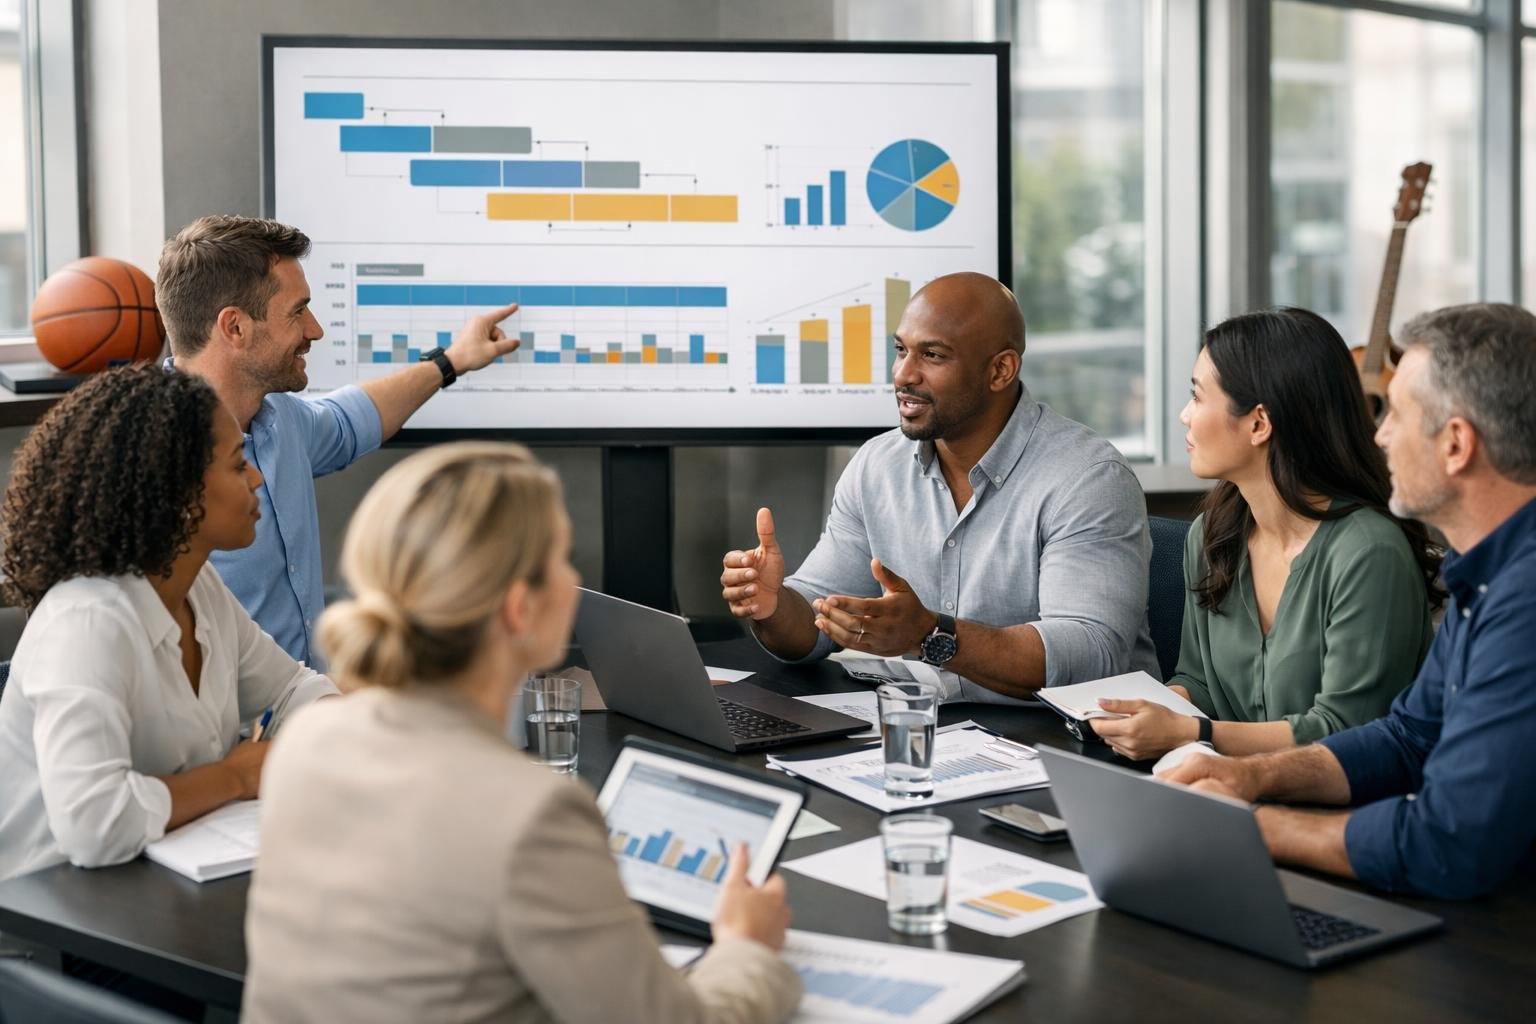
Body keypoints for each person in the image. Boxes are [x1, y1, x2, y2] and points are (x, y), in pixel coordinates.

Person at [244, 443, 801, 1024]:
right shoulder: (533, 816)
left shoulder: (306, 743)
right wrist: (747, 948)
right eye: (563, 559)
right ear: (518, 608)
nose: (574, 579)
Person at [1166, 303, 1536, 900]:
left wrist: (1248, 823)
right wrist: (1243, 776)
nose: (1379, 433)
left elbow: (1447, 843)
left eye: (1396, 413)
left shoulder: (1524, 602)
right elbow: (1405, 738)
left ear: (1457, 443)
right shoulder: (1486, 577)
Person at [720, 271, 1157, 702]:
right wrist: (773, 607)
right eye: (900, 350)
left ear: (1001, 370)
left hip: (1064, 743)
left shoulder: (1088, 477)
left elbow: (1090, 653)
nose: (904, 375)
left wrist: (931, 634)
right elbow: (818, 617)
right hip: (928, 729)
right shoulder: (877, 464)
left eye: (932, 355)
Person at [0, 366, 337, 883]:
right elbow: (94, 824)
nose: (257, 479)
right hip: (54, 928)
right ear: (179, 495)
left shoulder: (198, 589)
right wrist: (236, 775)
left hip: (156, 887)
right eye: (237, 464)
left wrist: (351, 728)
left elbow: (292, 688)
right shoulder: (86, 624)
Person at [155, 215, 521, 666]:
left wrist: (450, 362)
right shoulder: (149, 460)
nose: (315, 330)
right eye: (297, 311)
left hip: (304, 704)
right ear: (235, 328)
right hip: (221, 729)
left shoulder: (279, 419)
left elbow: (351, 420)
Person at [1090, 308, 1440, 762]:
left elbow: (1347, 730)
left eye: (1197, 397)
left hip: (1339, 810)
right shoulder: (1212, 535)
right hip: (1225, 789)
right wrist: (1138, 713)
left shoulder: (1368, 552)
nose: (1183, 416)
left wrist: (1191, 732)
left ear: (1258, 423)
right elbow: (1199, 682)